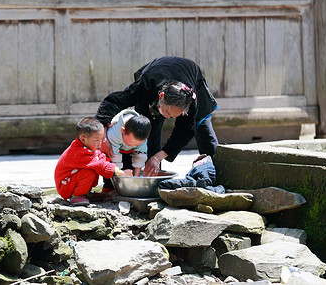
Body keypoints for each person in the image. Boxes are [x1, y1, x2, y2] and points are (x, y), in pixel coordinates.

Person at [96, 56, 218, 191]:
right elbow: (113, 101)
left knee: (204, 129)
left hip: (191, 76)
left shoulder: (191, 102)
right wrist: (103, 134)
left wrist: (158, 157)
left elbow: (184, 132)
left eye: (174, 116)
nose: (169, 118)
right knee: (143, 133)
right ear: (161, 97)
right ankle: (127, 182)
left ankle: (216, 176)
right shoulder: (146, 85)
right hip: (155, 76)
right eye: (167, 112)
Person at [54, 117, 133, 206]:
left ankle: (86, 194)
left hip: (71, 181)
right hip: (65, 186)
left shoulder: (87, 147)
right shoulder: (79, 152)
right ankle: (76, 196)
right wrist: (121, 172)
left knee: (94, 166)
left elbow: (101, 157)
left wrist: (113, 165)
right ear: (83, 139)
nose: (100, 143)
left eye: (101, 139)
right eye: (97, 140)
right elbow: (100, 165)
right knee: (90, 171)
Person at [106, 109, 151, 177]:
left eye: (137, 144)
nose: (133, 145)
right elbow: (114, 157)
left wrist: (136, 177)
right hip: (113, 147)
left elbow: (140, 157)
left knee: (130, 166)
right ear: (123, 130)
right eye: (130, 142)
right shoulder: (114, 133)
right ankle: (109, 186)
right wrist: (119, 175)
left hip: (127, 149)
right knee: (110, 166)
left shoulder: (141, 136)